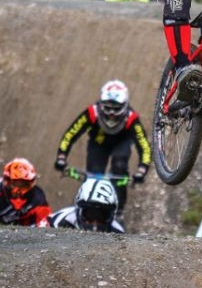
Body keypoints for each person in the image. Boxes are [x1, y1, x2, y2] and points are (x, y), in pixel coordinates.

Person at [53, 79, 151, 218]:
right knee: (94, 173)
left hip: (121, 144)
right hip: (98, 144)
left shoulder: (131, 118)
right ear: (101, 104)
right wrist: (61, 156)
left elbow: (144, 146)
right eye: (108, 107)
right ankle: (86, 207)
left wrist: (142, 169)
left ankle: (119, 213)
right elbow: (72, 133)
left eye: (116, 108)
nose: (111, 113)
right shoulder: (92, 112)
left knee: (119, 166)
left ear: (125, 105)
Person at [48, 177, 125, 233]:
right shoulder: (57, 222)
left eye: (101, 217)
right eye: (90, 216)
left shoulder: (118, 233)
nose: (95, 223)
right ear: (79, 211)